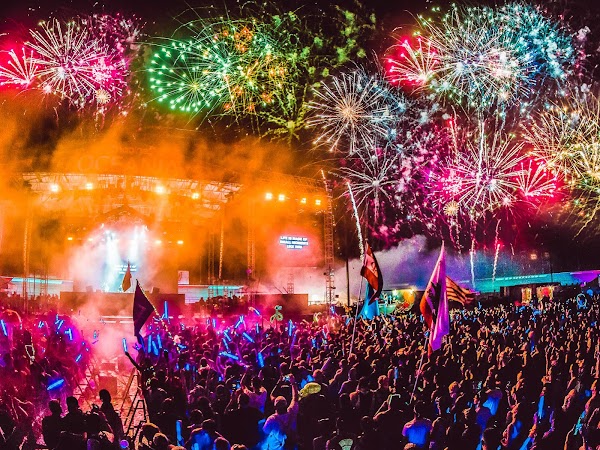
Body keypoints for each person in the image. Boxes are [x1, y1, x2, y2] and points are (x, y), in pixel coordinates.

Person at [263, 374, 299, 450]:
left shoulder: (271, 419)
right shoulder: (292, 411)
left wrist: (278, 383)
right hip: (293, 445)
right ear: (286, 404)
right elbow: (295, 398)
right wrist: (293, 383)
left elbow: (265, 431)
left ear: (275, 407)